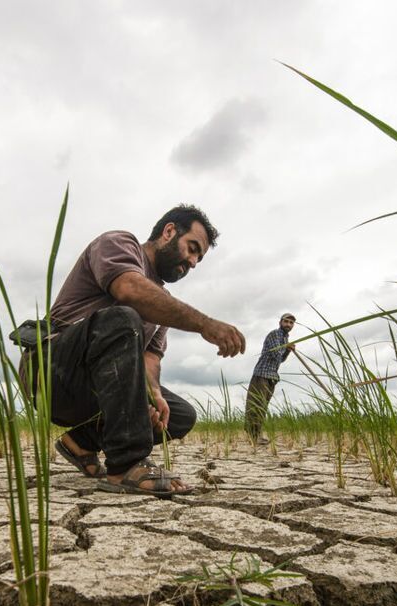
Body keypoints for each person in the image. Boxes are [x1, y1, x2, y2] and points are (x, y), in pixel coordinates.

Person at [38, 204, 246, 497]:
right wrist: (204, 324)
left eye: (199, 258)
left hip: (99, 388)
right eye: (192, 248)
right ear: (169, 231)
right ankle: (126, 465)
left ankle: (81, 443)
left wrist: (153, 397)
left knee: (180, 414)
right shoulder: (119, 243)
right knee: (123, 317)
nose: (193, 262)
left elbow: (149, 361)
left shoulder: (162, 302)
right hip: (52, 372)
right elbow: (129, 290)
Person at [244, 313, 296, 444]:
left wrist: (288, 350)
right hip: (262, 375)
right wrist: (286, 347)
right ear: (280, 322)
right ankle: (254, 436)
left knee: (263, 407)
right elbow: (275, 354)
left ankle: (256, 434)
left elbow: (281, 359)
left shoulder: (284, 338)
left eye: (291, 323)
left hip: (272, 376)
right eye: (286, 321)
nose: (288, 324)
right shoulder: (275, 334)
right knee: (256, 405)